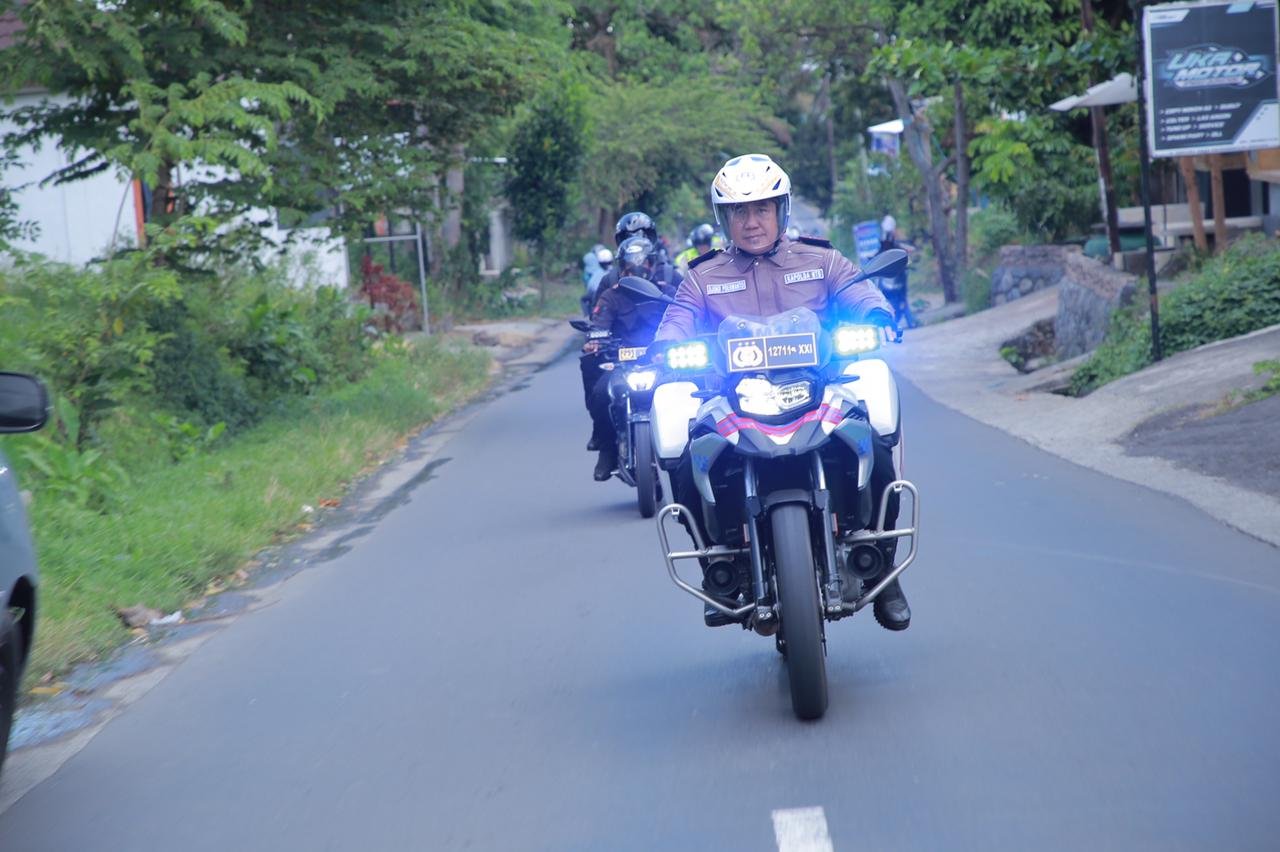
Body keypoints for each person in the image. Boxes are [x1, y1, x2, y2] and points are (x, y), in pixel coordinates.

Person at [653, 153, 911, 631]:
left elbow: (858, 291)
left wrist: (877, 315)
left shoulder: (820, 259)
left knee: (874, 442)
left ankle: (883, 567)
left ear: (781, 211)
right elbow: (675, 322)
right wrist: (665, 348)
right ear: (724, 218)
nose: (751, 223)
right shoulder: (701, 277)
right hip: (733, 402)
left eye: (762, 209)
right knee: (686, 456)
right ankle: (717, 569)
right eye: (739, 212)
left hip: (820, 392)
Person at [583, 235, 681, 480]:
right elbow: (599, 323)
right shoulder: (610, 296)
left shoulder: (666, 293)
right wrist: (595, 340)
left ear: (651, 264)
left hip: (662, 363)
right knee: (600, 393)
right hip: (622, 365)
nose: (636, 269)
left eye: (642, 263)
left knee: (691, 393)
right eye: (630, 265)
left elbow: (684, 319)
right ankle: (606, 450)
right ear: (622, 268)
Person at [877, 214, 919, 331]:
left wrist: (909, 252)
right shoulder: (886, 241)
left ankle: (910, 320)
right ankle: (909, 321)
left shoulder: (888, 240)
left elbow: (898, 248)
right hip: (888, 275)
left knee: (902, 296)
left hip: (897, 273)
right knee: (880, 293)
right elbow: (891, 249)